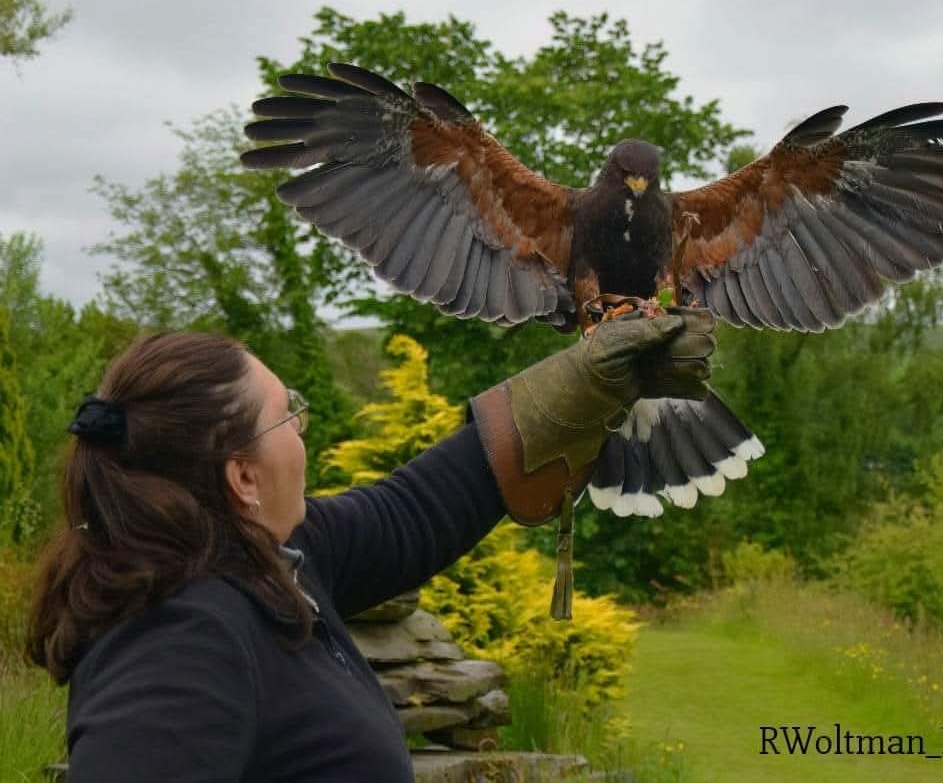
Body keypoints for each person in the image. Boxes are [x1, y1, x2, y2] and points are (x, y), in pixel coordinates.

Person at [27, 308, 716, 781]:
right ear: (242, 475)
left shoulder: (265, 561)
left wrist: (588, 382)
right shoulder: (177, 641)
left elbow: (408, 514)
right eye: (287, 413)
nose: (303, 426)